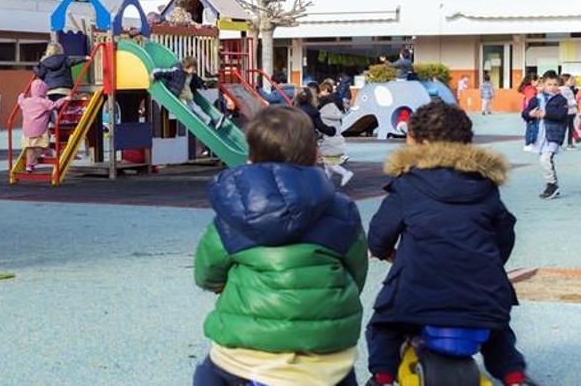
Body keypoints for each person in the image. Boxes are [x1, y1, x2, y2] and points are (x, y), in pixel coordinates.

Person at [194, 106, 367, 386]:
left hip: (248, 358)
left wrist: (223, 285)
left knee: (207, 376)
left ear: (250, 156)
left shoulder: (233, 214)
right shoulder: (341, 210)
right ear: (313, 153)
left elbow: (206, 273)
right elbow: (356, 273)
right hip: (325, 357)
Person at [366, 102, 536, 386]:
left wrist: (388, 254)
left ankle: (382, 377)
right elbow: (505, 232)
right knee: (498, 331)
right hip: (482, 292)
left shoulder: (407, 183)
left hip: (417, 292)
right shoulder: (484, 185)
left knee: (383, 327)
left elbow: (379, 235)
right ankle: (514, 376)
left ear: (422, 142)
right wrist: (488, 262)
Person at [522, 71, 567, 200]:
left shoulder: (561, 100)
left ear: (559, 85)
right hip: (539, 135)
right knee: (545, 160)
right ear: (543, 84)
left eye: (555, 84)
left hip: (553, 135)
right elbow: (525, 114)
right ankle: (553, 185)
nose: (552, 87)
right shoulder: (536, 99)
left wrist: (545, 114)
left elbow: (561, 115)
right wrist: (530, 114)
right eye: (549, 84)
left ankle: (552, 185)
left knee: (545, 159)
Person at [151, 55, 225, 129]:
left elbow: (197, 81)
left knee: (197, 108)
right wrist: (154, 74)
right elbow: (165, 72)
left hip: (186, 95)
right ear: (187, 67)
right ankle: (199, 122)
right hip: (178, 96)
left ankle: (209, 120)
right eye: (193, 68)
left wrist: (203, 85)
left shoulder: (191, 75)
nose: (194, 70)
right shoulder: (177, 71)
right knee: (188, 110)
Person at [18, 80, 70, 173]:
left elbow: (20, 101)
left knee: (30, 147)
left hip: (27, 131)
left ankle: (29, 165)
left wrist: (22, 95)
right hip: (40, 130)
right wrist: (65, 99)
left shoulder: (26, 102)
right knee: (46, 137)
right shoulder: (44, 102)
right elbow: (55, 105)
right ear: (44, 91)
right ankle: (46, 151)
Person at [319, 82, 353, 186]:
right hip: (336, 138)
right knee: (327, 163)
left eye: (321, 90)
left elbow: (322, 126)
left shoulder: (324, 111)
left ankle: (345, 173)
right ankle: (326, 182)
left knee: (330, 163)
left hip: (329, 140)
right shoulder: (336, 105)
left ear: (325, 89)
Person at [560, 74, 577, 151]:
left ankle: (570, 144)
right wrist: (574, 102)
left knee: (570, 129)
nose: (571, 81)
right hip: (567, 113)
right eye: (570, 80)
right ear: (565, 81)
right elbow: (564, 102)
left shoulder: (568, 89)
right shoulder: (563, 90)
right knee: (563, 129)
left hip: (571, 112)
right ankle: (559, 144)